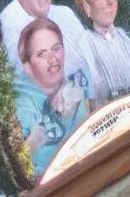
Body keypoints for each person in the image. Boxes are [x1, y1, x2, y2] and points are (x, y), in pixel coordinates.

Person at [12, 19, 90, 180]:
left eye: (56, 48)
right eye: (41, 54)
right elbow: (13, 168)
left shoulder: (78, 82)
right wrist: (30, 145)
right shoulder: (21, 103)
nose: (53, 58)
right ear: (27, 65)